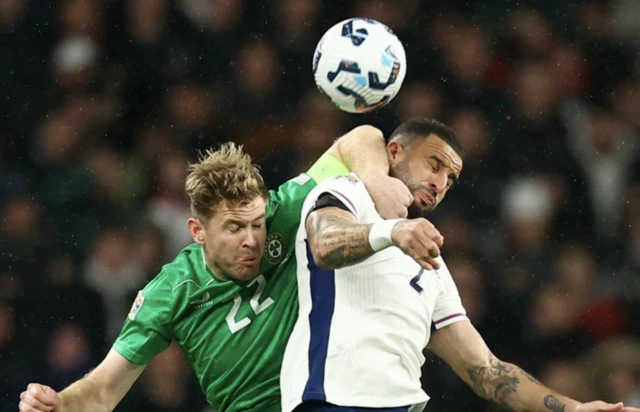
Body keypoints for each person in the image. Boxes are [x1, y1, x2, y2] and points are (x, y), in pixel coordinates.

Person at [18, 125, 425, 412]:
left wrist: (375, 180)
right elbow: (103, 391)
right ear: (197, 231)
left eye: (256, 224)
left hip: (327, 400)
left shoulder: (283, 210)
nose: (251, 240)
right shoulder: (172, 290)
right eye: (233, 228)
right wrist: (61, 403)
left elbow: (362, 137)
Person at [280, 118, 640, 412]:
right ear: (394, 151)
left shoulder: (430, 265)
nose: (439, 184)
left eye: (450, 179)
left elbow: (488, 371)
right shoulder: (350, 192)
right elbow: (324, 244)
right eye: (433, 165)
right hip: (331, 399)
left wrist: (573, 409)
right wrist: (394, 230)